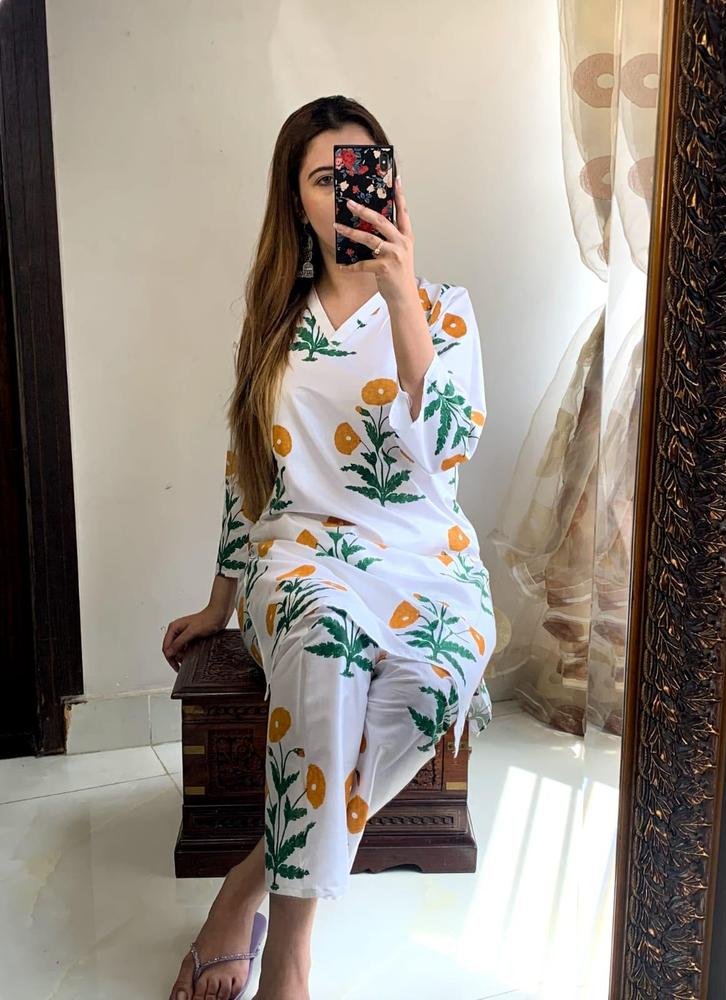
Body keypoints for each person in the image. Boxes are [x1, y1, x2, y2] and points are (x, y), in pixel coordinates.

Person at [162, 94, 495, 1000]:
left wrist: (402, 300)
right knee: (323, 650)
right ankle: (290, 958)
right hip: (303, 554)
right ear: (298, 201)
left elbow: (451, 450)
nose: (348, 192)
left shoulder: (445, 309)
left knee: (433, 683)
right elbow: (247, 473)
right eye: (323, 177)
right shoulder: (276, 322)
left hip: (426, 557)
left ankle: (248, 881)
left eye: (365, 169)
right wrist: (221, 603)